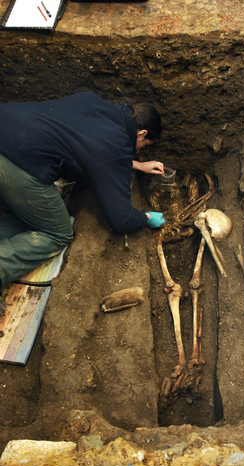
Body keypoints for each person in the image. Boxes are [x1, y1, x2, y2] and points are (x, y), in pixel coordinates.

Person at [0, 90, 166, 315]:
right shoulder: (114, 146)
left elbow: (90, 148)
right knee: (57, 232)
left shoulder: (94, 103)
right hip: (16, 164)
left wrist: (134, 164)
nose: (139, 151)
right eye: (144, 146)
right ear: (142, 133)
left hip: (7, 132)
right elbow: (121, 219)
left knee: (31, 216)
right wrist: (146, 217)